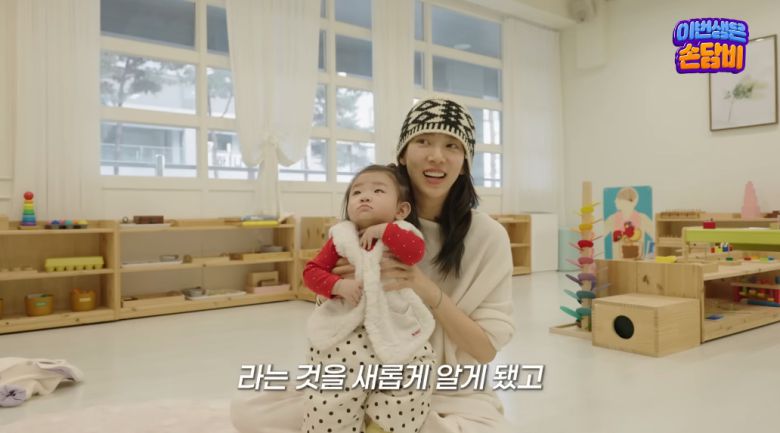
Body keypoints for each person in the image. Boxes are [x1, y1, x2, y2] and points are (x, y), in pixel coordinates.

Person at [231, 97, 516, 433]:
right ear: (402, 154)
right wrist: (340, 288)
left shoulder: (489, 237)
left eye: (452, 146)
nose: (437, 156)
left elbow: (484, 350)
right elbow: (331, 310)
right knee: (250, 412)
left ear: (465, 163)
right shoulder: (365, 221)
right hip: (359, 375)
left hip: (448, 388)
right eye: (423, 141)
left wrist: (423, 287)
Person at [301, 164, 436, 433]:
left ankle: (381, 426)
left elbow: (414, 253)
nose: (364, 196)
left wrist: (385, 231)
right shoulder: (341, 237)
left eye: (378, 191)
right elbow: (311, 273)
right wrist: (338, 285)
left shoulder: (403, 232)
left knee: (417, 374)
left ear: (401, 210)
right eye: (357, 192)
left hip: (394, 328)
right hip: (346, 335)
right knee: (330, 393)